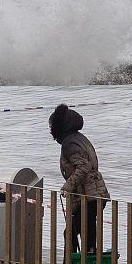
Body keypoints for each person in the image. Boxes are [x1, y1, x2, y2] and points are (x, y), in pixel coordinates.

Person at [48, 103, 109, 255]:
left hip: (89, 198)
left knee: (72, 233)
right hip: (96, 195)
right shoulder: (79, 138)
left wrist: (67, 186)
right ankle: (84, 262)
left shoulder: (69, 143)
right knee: (84, 235)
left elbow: (83, 167)